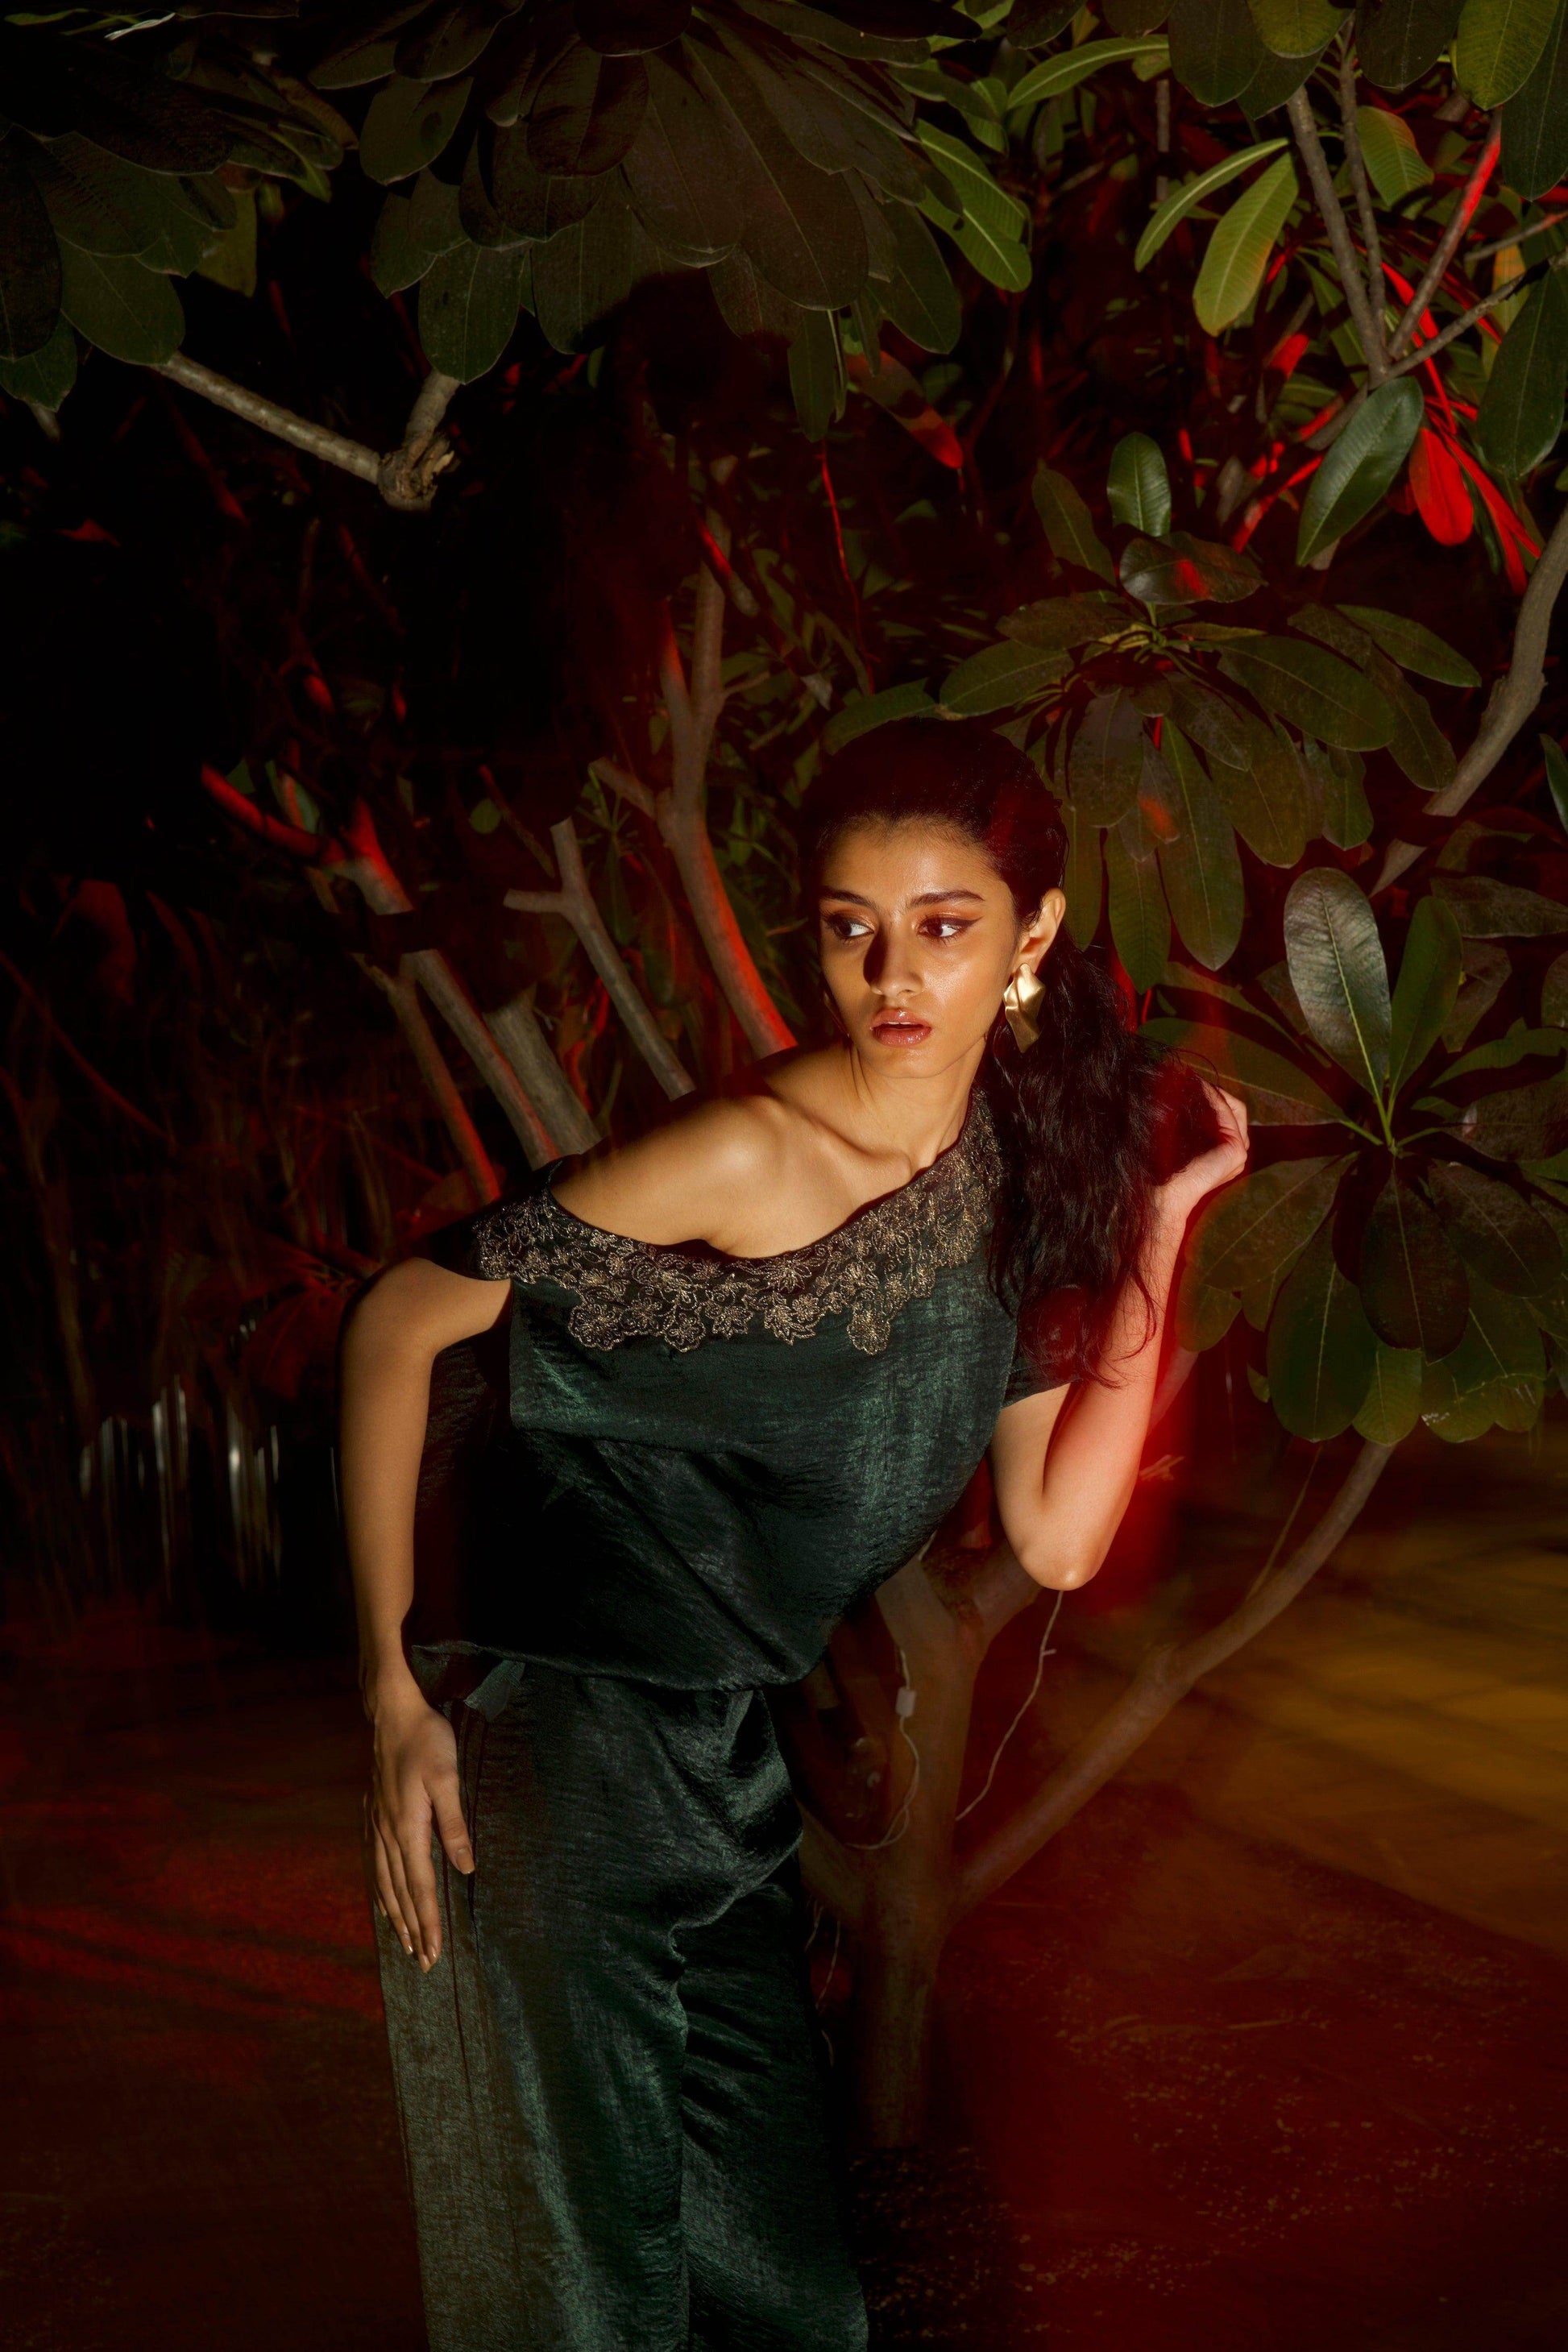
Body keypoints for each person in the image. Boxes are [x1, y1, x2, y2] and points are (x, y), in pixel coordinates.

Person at [337, 717, 1247, 2351]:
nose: (891, 975)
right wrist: (395, 1693)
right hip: (556, 1735)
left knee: (795, 2303)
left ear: (1031, 932)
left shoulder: (1013, 1173)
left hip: (726, 1774)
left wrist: (1160, 1234)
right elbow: (402, 1318)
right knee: (591, 2304)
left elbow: (1055, 1536)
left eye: (943, 925)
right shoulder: (750, 1150)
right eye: (849, 927)